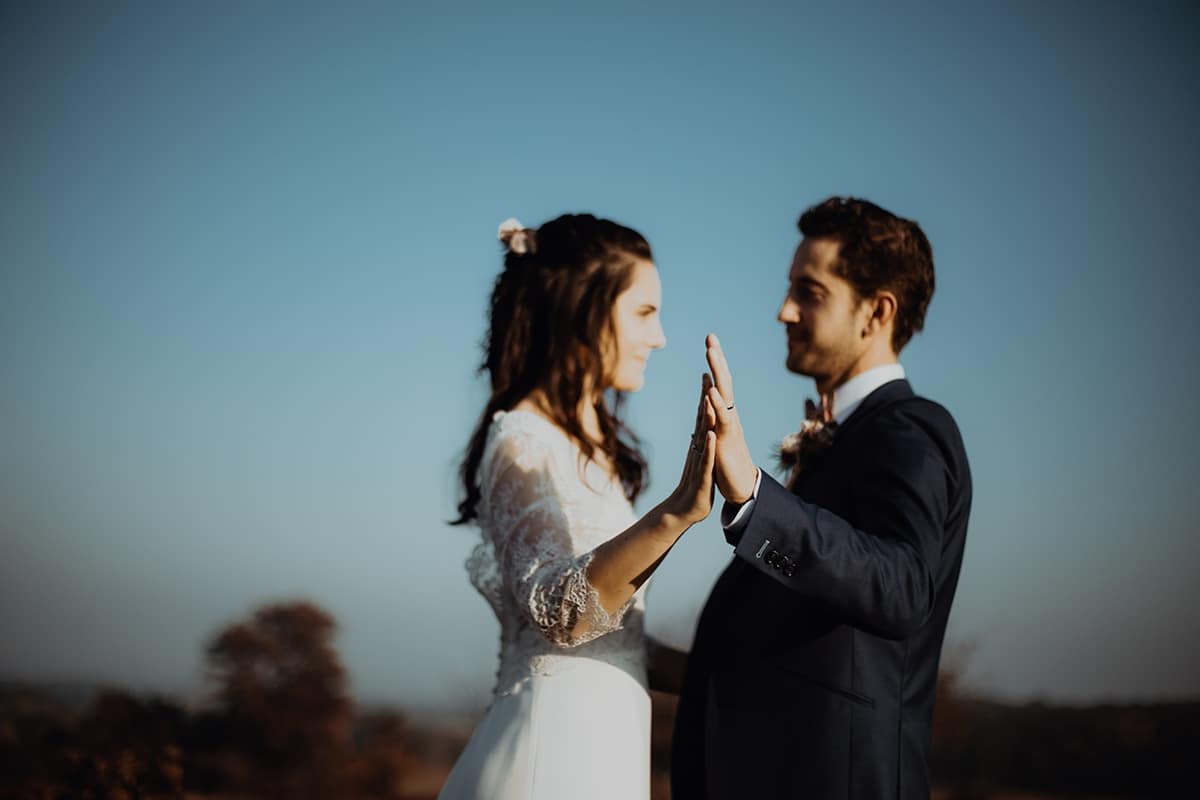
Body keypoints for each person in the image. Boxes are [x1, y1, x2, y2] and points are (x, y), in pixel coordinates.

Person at [672, 197, 973, 798]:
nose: (783, 311)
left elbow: (906, 583)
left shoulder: (908, 428)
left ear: (876, 312)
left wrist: (754, 494)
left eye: (809, 292)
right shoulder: (843, 440)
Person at [438, 213, 712, 800]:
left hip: (607, 759)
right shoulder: (521, 442)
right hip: (549, 762)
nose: (661, 336)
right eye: (644, 313)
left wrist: (725, 672)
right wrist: (676, 513)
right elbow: (562, 613)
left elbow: (614, 638)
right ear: (580, 308)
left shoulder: (598, 455)